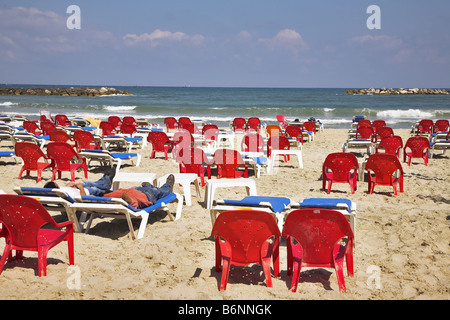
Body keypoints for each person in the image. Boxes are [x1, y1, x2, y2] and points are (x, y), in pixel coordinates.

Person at [103, 174, 175, 209]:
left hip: (136, 190)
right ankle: (168, 185)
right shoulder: (128, 200)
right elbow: (134, 204)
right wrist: (122, 195)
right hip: (147, 195)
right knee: (160, 191)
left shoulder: (106, 198)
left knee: (152, 189)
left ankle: (149, 186)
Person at [44, 166, 116, 197]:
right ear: (56, 184)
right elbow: (82, 198)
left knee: (88, 183)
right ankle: (106, 181)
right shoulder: (66, 194)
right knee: (96, 188)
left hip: (76, 189)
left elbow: (65, 190)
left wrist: (67, 186)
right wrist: (81, 188)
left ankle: (105, 180)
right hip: (85, 191)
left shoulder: (58, 191)